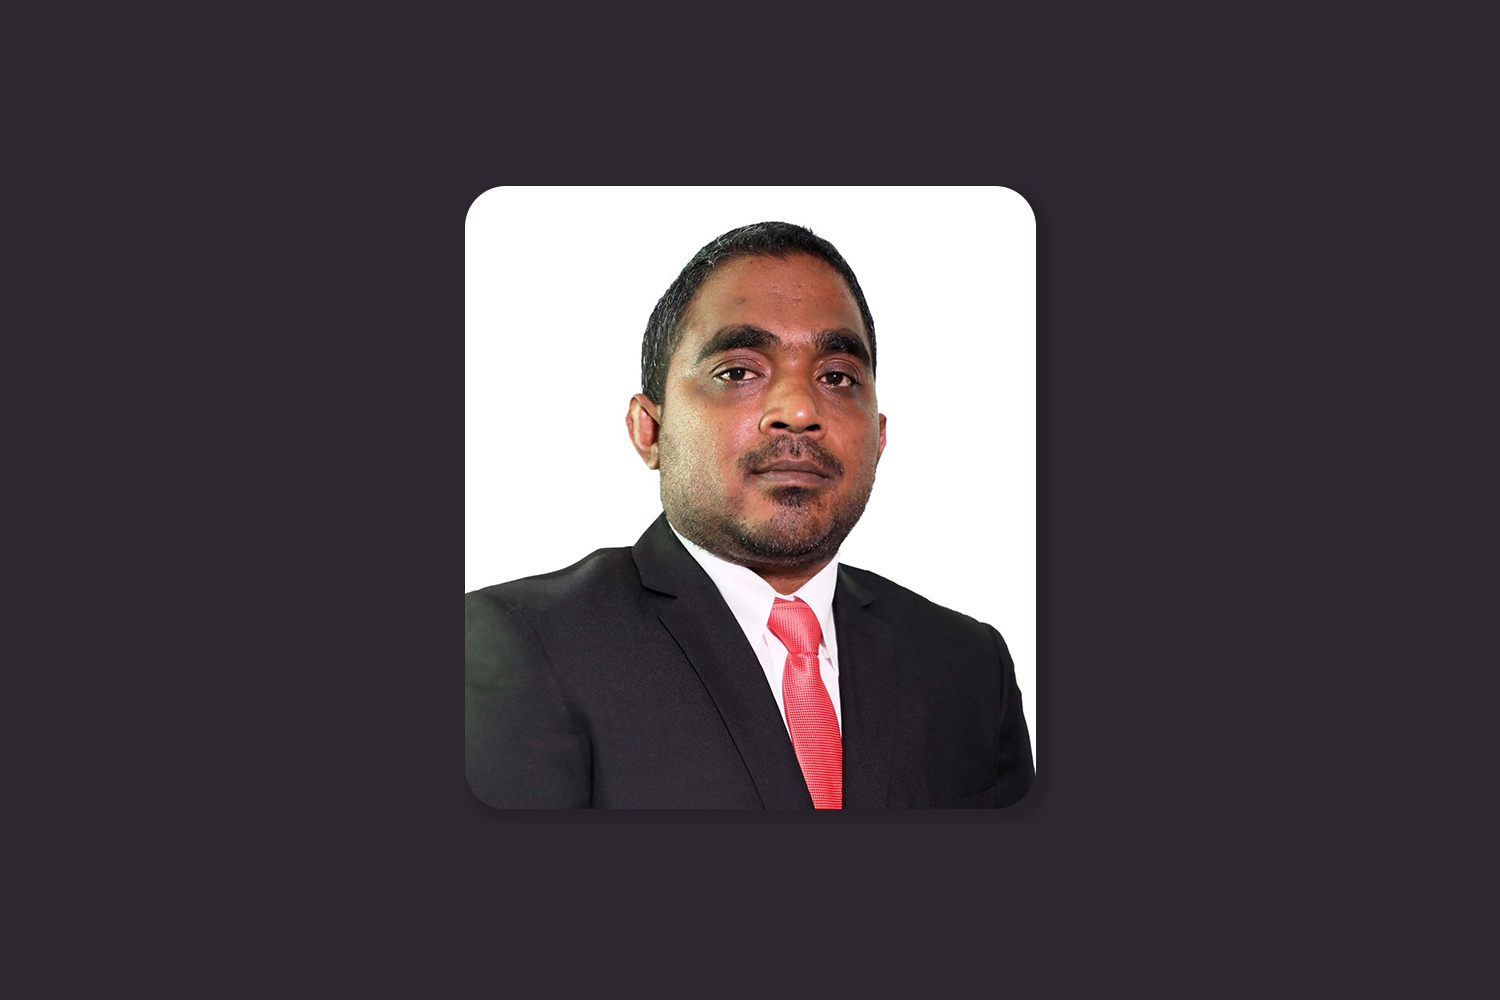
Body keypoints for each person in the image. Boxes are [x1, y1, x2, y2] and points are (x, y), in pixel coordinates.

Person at [465, 221, 1034, 808]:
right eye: (738, 372)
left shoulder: (968, 667)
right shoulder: (519, 645)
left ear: (880, 438)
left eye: (837, 377)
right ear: (649, 429)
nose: (799, 410)